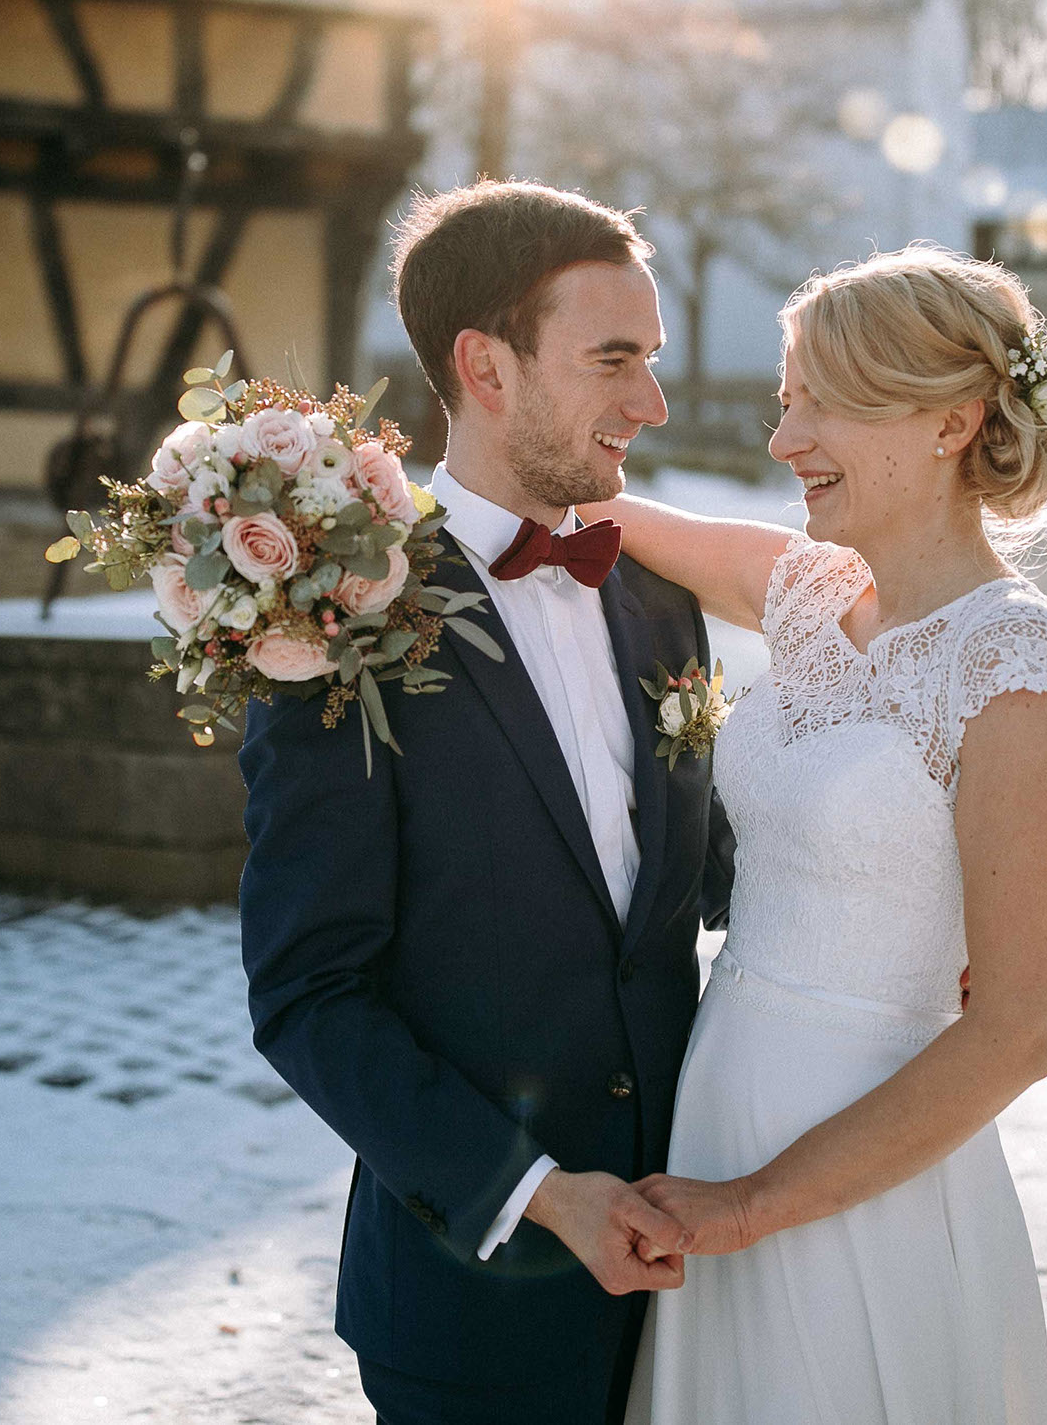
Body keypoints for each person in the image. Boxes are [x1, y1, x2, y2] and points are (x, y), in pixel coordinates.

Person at [238, 181, 737, 1425]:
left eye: (651, 360)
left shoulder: (658, 599)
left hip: (702, 1278)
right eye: (613, 358)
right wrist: (539, 1191)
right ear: (485, 365)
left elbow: (700, 874)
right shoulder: (338, 620)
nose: (652, 402)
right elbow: (310, 993)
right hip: (475, 1303)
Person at [586, 245, 1047, 1425]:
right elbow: (593, 513)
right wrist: (360, 508)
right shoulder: (806, 590)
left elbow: (1022, 1030)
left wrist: (756, 1202)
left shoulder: (1011, 663)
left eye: (823, 402)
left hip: (865, 1164)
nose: (783, 439)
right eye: (785, 398)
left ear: (951, 420)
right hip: (715, 1104)